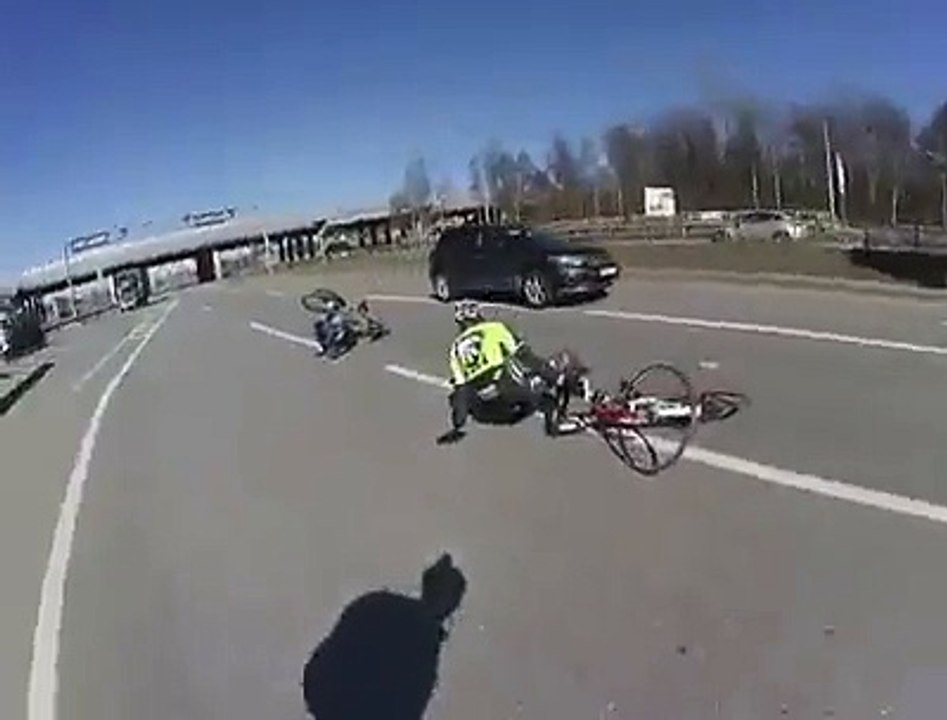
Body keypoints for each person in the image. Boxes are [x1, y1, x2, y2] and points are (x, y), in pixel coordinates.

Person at [436, 300, 590, 445]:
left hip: (492, 409)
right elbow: (528, 359)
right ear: (476, 315)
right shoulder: (493, 328)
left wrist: (458, 425)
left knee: (518, 381)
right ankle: (562, 418)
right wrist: (557, 377)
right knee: (561, 362)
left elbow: (461, 389)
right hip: (512, 392)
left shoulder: (455, 349)